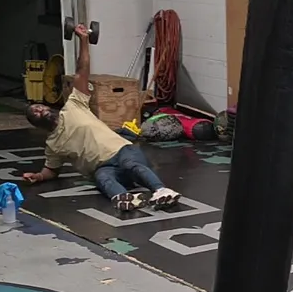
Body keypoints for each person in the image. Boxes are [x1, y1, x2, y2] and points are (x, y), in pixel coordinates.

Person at [22, 25, 180, 211]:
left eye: (39, 107)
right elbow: (51, 170)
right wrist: (38, 177)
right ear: (37, 124)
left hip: (122, 151)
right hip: (103, 168)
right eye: (35, 113)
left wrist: (83, 40)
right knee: (103, 178)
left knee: (131, 164)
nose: (39, 110)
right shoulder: (53, 145)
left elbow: (82, 71)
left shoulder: (73, 105)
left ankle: (161, 191)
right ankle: (124, 199)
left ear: (47, 106)